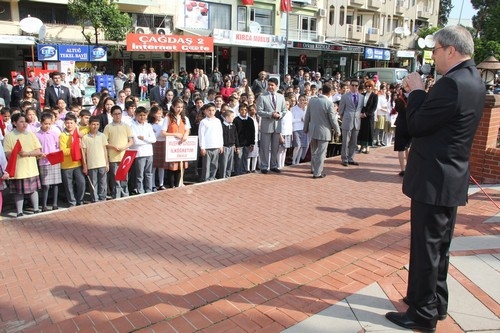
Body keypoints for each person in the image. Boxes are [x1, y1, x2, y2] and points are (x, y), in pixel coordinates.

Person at [385, 25, 486, 332]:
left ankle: (423, 312)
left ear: (451, 51)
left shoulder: (452, 84)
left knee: (427, 248)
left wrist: (416, 91)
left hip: (435, 178)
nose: (434, 56)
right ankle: (433, 300)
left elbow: (418, 124)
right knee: (439, 247)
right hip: (448, 177)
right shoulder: (473, 80)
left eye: (436, 50)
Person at [3, 112, 42, 217]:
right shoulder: (9, 136)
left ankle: (36, 209)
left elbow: (38, 150)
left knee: (33, 190)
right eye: (21, 122)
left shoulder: (30, 135)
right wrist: (16, 152)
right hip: (17, 169)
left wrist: (27, 154)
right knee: (18, 192)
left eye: (25, 122)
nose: (24, 124)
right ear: (14, 123)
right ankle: (19, 212)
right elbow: (7, 153)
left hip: (31, 168)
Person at [303, 83, 340, 178]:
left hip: (313, 130)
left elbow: (307, 115)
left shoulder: (312, 101)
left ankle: (313, 168)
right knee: (321, 153)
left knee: (314, 151)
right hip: (324, 131)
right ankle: (317, 172)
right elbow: (333, 119)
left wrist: (305, 127)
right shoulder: (329, 103)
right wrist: (337, 130)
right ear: (330, 92)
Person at [257, 77, 286, 173]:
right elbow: (259, 111)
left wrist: (280, 114)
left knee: (275, 147)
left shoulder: (281, 97)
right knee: (264, 147)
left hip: (277, 126)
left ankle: (274, 165)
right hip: (266, 125)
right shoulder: (262, 97)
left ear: (276, 86)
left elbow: (284, 110)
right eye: (269, 85)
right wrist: (270, 114)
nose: (270, 87)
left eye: (272, 85)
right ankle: (264, 166)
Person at [103, 105, 134, 199]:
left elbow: (131, 141)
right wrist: (114, 147)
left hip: (125, 156)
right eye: (115, 114)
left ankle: (125, 194)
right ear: (112, 115)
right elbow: (104, 142)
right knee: (115, 177)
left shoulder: (126, 126)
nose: (117, 116)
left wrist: (124, 147)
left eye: (119, 113)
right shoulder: (108, 127)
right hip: (113, 156)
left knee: (124, 176)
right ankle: (116, 195)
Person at [161, 97, 191, 188]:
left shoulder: (184, 118)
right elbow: (163, 133)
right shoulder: (168, 118)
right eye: (178, 107)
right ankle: (171, 186)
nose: (179, 109)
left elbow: (187, 129)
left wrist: (186, 134)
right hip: (172, 146)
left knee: (180, 166)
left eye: (181, 107)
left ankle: (178, 184)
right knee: (171, 167)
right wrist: (174, 134)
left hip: (181, 146)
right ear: (173, 107)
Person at [59, 113, 85, 207]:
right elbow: (63, 151)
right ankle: (72, 202)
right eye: (67, 123)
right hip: (66, 165)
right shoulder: (62, 135)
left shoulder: (77, 132)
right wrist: (74, 148)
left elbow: (87, 128)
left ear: (75, 123)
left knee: (81, 182)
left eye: (71, 123)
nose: (69, 125)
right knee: (68, 186)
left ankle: (80, 199)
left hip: (77, 163)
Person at [81, 116, 109, 202]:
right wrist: (85, 165)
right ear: (89, 125)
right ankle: (95, 199)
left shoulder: (102, 136)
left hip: (102, 163)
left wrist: (107, 163)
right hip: (91, 164)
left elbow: (105, 150)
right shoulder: (85, 137)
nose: (95, 126)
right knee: (93, 183)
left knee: (103, 183)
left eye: (97, 124)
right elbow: (83, 153)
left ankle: (102, 197)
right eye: (93, 124)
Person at [130, 106, 156, 194]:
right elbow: (136, 141)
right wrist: (147, 140)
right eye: (140, 115)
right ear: (136, 115)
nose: (142, 117)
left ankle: (148, 189)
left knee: (149, 173)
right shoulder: (132, 126)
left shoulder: (148, 126)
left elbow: (153, 139)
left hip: (149, 152)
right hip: (139, 153)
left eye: (144, 115)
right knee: (140, 174)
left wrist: (144, 138)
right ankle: (140, 190)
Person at [339, 79, 362, 167]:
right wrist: (344, 118)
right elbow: (341, 110)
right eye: (352, 85)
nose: (354, 87)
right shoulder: (345, 96)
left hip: (356, 121)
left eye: (356, 85)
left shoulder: (361, 97)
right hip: (347, 121)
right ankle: (344, 158)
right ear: (350, 86)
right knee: (345, 141)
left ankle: (351, 158)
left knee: (354, 141)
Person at [198, 103, 223, 181]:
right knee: (206, 165)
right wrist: (202, 147)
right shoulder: (203, 122)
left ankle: (212, 177)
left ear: (215, 111)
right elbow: (201, 135)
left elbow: (220, 133)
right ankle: (205, 179)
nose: (211, 112)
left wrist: (221, 145)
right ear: (205, 111)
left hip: (216, 146)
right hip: (207, 147)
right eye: (209, 110)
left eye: (213, 110)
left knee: (214, 165)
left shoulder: (218, 121)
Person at [233, 103, 255, 175]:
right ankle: (237, 173)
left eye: (245, 110)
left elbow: (252, 132)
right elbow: (235, 133)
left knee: (245, 158)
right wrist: (236, 145)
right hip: (239, 144)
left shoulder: (250, 120)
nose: (243, 111)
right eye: (242, 110)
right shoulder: (236, 120)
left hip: (247, 144)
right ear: (239, 111)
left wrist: (252, 143)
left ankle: (244, 171)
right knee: (238, 159)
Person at [357, 79, 378, 154]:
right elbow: (360, 105)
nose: (368, 88)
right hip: (362, 115)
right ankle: (361, 146)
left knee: (368, 131)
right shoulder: (363, 95)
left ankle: (367, 147)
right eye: (366, 86)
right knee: (362, 130)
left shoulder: (375, 96)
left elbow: (374, 107)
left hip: (369, 116)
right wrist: (361, 113)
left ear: (372, 87)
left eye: (369, 86)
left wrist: (366, 114)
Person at [393, 91, 411, 176]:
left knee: (401, 148)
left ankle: (403, 169)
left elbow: (396, 109)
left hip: (400, 125)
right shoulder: (415, 98)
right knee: (408, 147)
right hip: (410, 125)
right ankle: (408, 168)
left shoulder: (399, 100)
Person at [218, 109, 238, 179]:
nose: (233, 118)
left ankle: (228, 175)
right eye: (231, 116)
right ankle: (222, 176)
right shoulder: (222, 126)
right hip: (225, 146)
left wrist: (235, 145)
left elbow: (235, 136)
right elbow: (220, 136)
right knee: (224, 162)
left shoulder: (233, 126)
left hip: (231, 146)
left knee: (230, 163)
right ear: (226, 117)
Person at [291, 94, 308, 165]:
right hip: (296, 129)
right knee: (297, 145)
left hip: (303, 129)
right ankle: (293, 161)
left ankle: (298, 161)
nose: (302, 101)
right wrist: (299, 119)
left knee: (302, 146)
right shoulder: (293, 109)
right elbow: (291, 119)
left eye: (303, 100)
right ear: (298, 100)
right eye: (300, 100)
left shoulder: (306, 109)